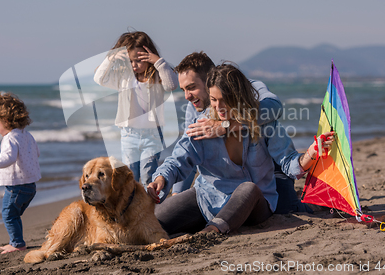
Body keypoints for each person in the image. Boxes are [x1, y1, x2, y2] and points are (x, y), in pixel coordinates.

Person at [147, 63, 334, 235]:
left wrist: (311, 153)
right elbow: (178, 160)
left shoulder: (264, 124)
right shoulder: (202, 125)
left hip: (256, 203)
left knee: (248, 188)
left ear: (238, 96)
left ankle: (212, 232)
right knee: (153, 223)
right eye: (213, 99)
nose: (218, 107)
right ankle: (211, 223)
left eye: (224, 100)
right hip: (208, 197)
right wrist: (161, 178)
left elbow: (289, 163)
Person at [171, 52, 308, 214]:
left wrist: (227, 126)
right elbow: (190, 151)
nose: (187, 96)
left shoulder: (247, 87)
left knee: (285, 209)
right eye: (184, 89)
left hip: (270, 167)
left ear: (209, 79)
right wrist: (177, 194)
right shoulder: (194, 107)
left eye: (191, 87)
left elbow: (274, 107)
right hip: (230, 180)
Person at [94, 31, 178, 189]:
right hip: (129, 135)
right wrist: (110, 59)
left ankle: (148, 210)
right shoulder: (124, 77)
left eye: (139, 60)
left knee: (148, 177)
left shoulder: (157, 76)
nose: (134, 65)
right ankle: (131, 212)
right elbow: (99, 78)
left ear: (149, 56)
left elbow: (172, 84)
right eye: (131, 61)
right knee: (129, 179)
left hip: (152, 136)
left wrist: (159, 61)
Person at [0, 93, 41, 254]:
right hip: (30, 186)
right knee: (14, 216)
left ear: (5, 121)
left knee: (9, 215)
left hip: (16, 188)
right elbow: (36, 153)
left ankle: (17, 244)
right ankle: (16, 241)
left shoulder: (10, 138)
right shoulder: (27, 135)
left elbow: (7, 159)